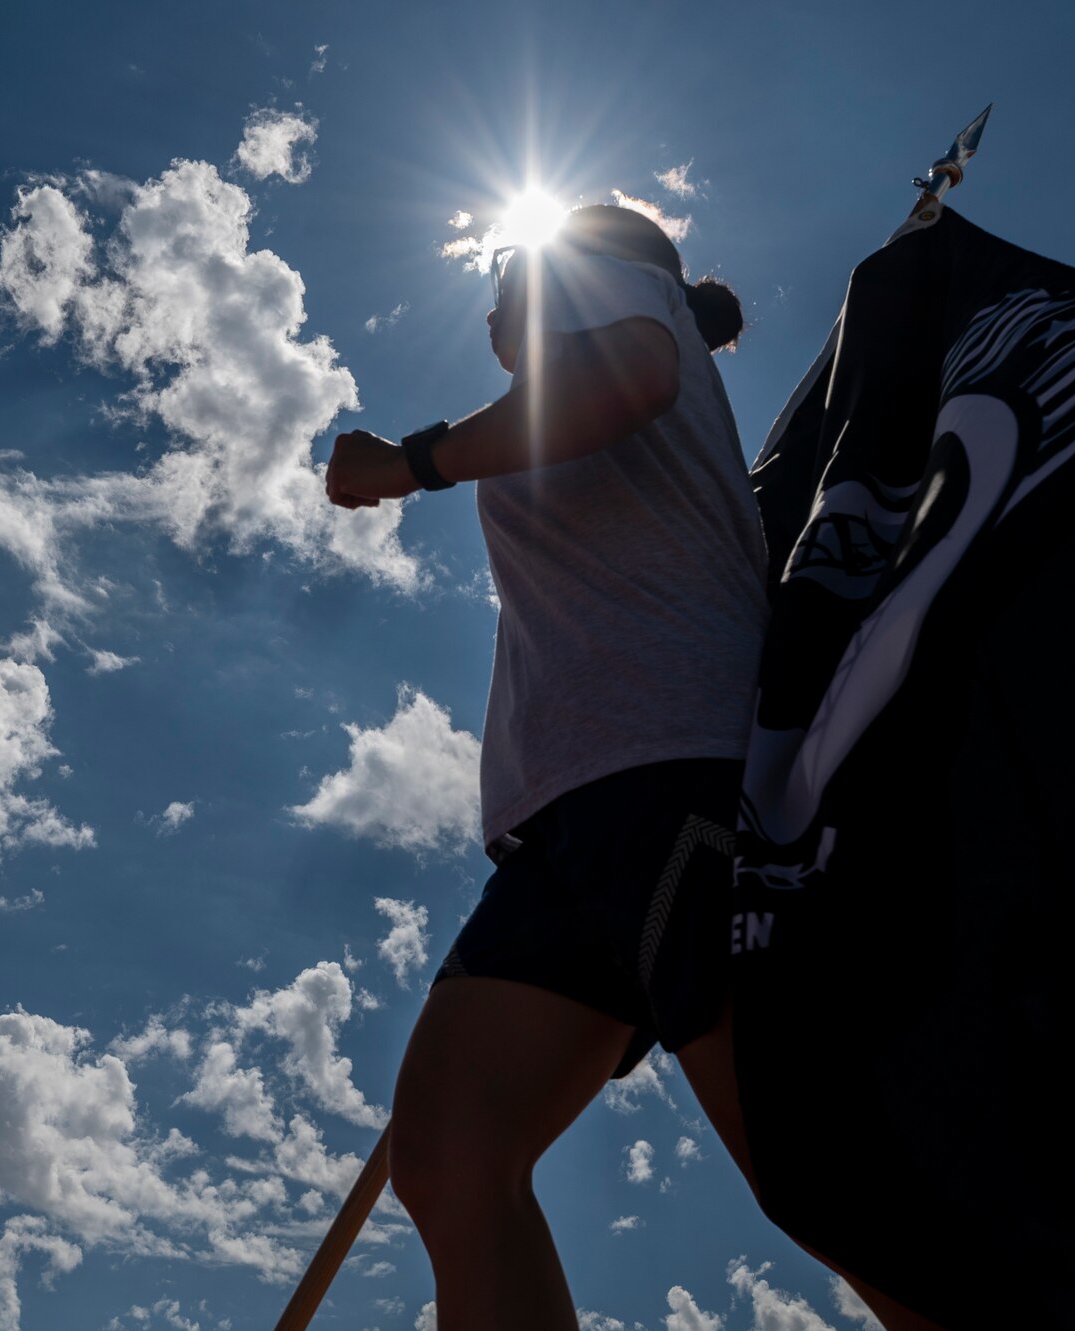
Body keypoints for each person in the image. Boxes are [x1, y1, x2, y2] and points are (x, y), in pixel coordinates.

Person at [323, 205, 936, 1331]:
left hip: (666, 772)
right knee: (453, 1153)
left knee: (815, 1172)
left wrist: (409, 462)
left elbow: (627, 381)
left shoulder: (599, 282)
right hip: (570, 817)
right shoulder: (549, 393)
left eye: (505, 277)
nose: (496, 307)